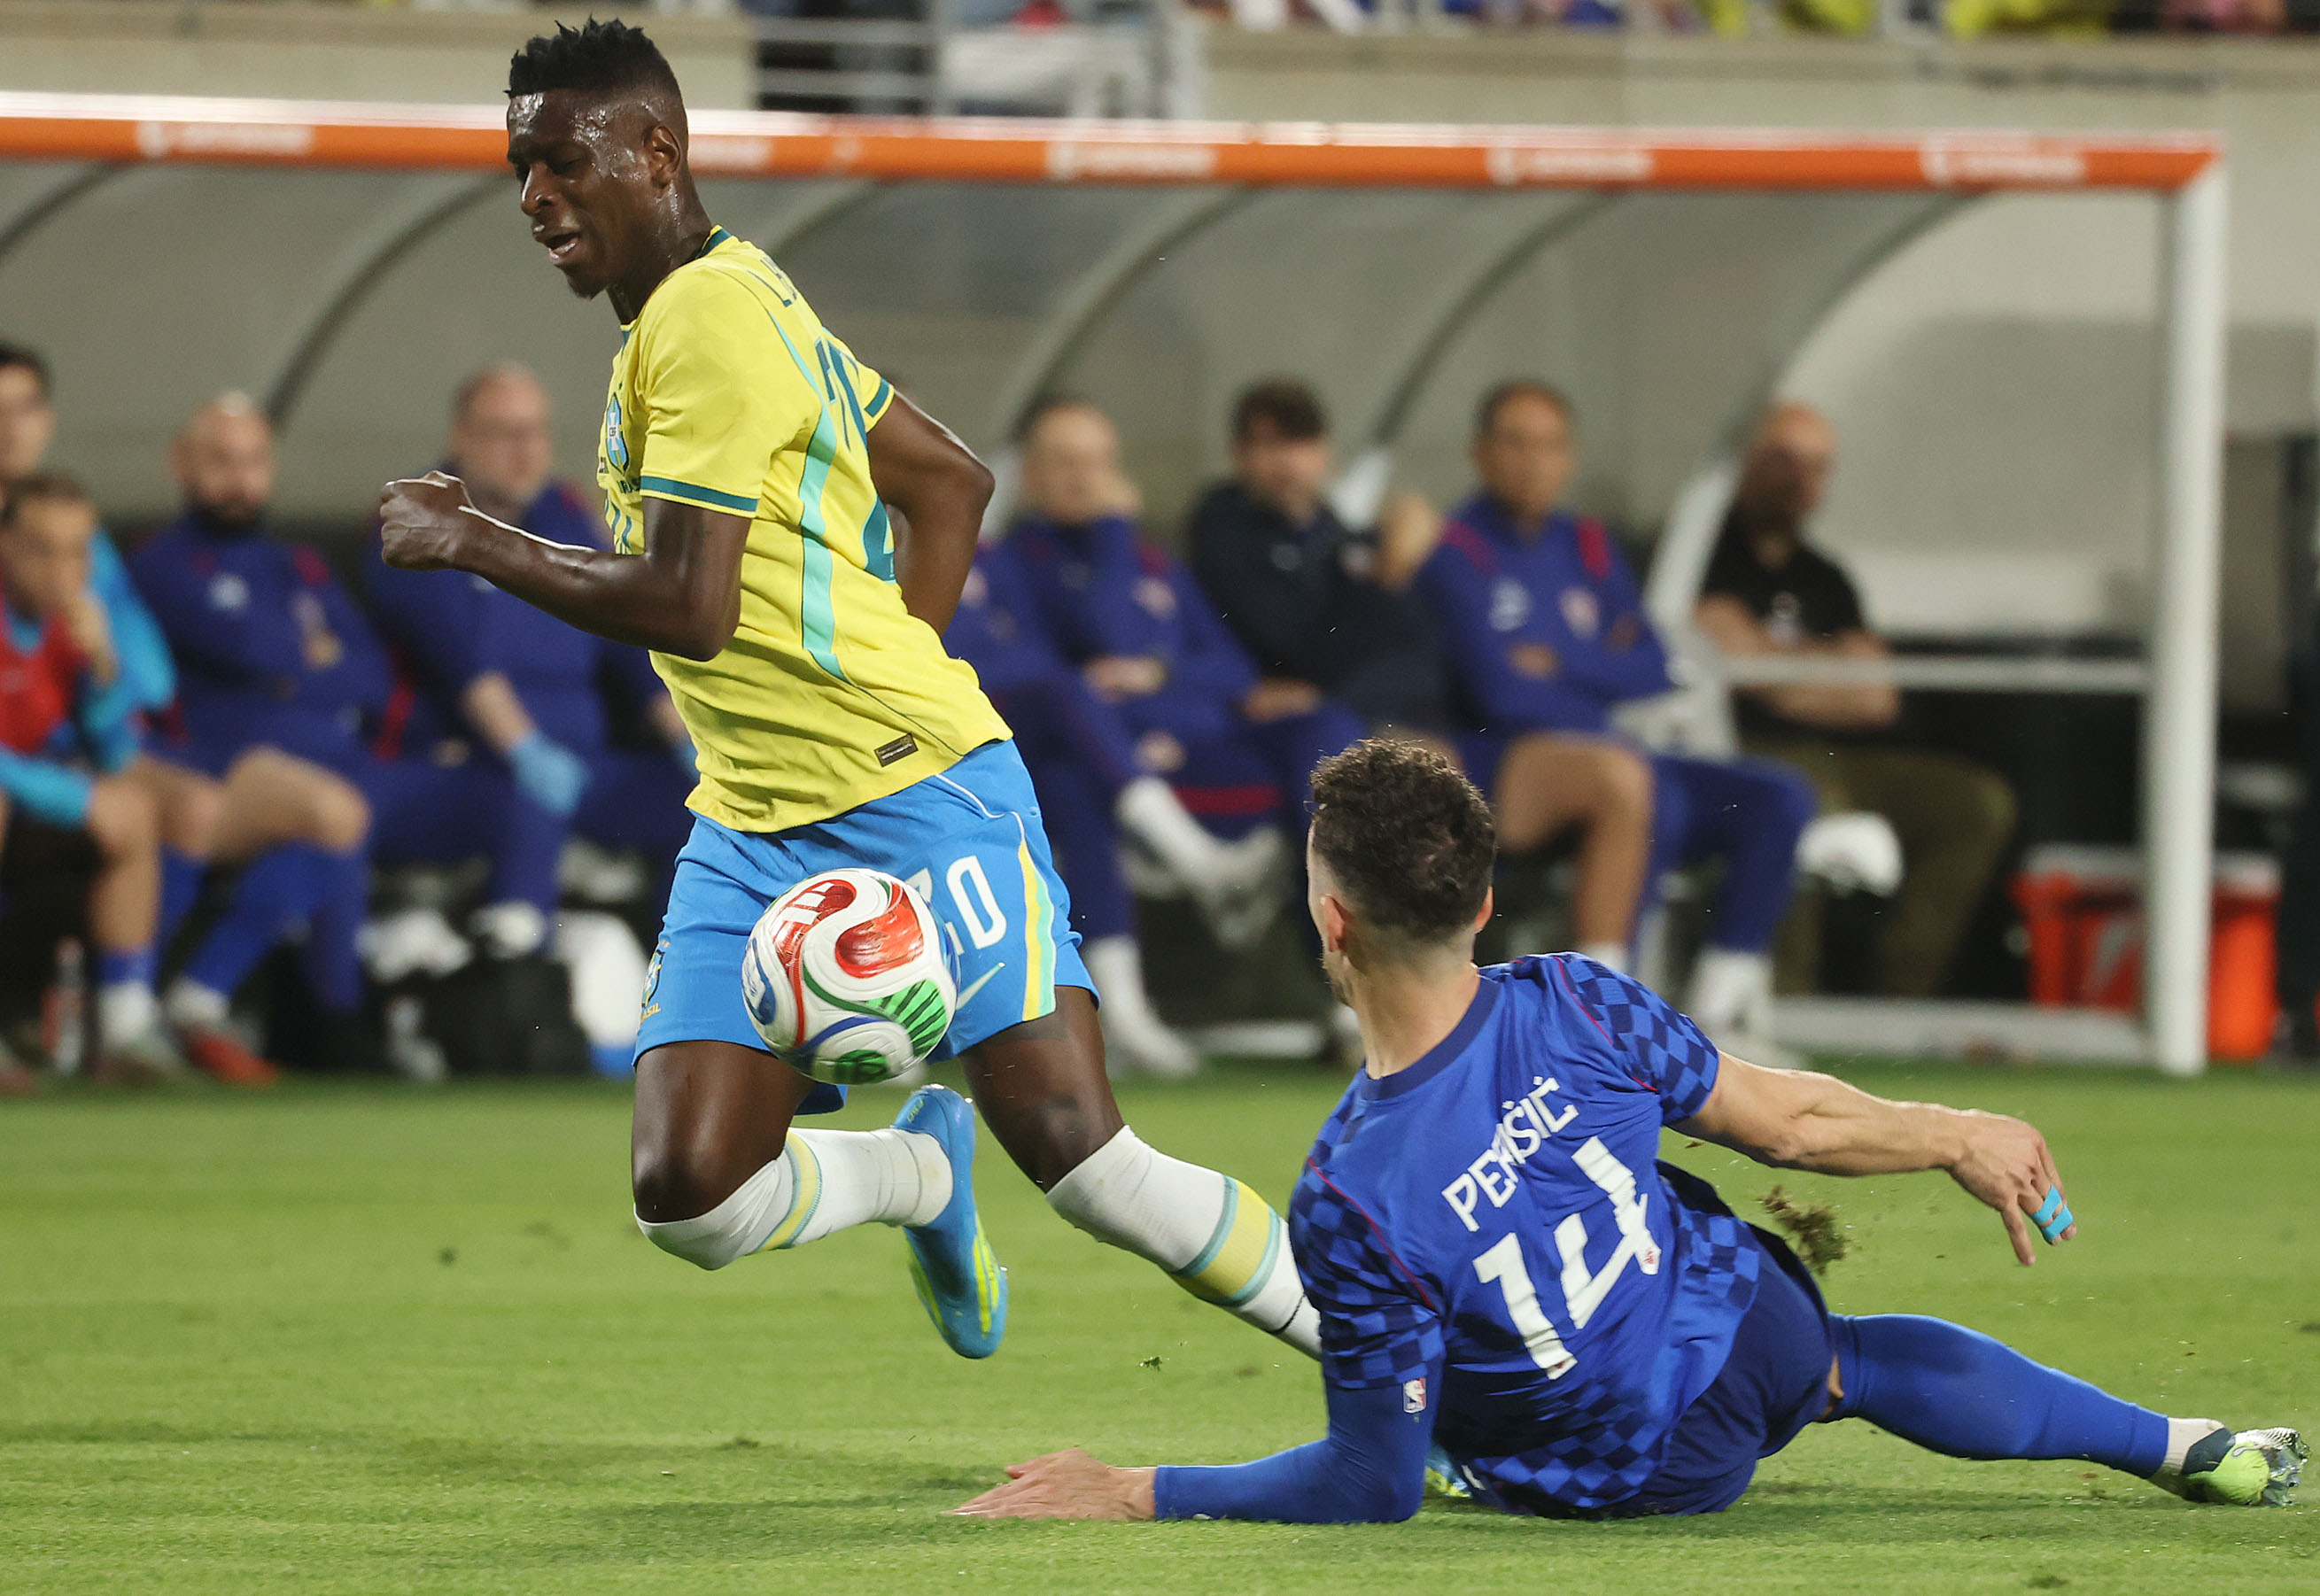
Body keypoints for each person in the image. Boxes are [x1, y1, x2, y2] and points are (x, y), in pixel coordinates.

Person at [376, 19, 1321, 1364]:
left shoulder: (709, 319)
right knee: (687, 1195)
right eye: (518, 167)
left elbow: (689, 603)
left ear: (657, 152)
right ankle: (913, 1177)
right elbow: (947, 478)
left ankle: (1409, 1376)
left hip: (915, 798)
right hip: (753, 824)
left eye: (561, 163)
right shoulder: (731, 299)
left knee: (1082, 1159)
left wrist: (475, 540)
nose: (533, 197)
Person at [952, 740, 2305, 1523]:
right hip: (1755, 1341)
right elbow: (1781, 1122)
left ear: (1330, 921)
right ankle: (2183, 1442)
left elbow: (1369, 1484)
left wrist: (1132, 1486)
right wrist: (1949, 1128)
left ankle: (1489, 1428)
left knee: (1415, 1375)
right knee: (1850, 1359)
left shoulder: (1345, 1190)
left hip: (1628, 1464)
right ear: (1483, 907)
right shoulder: (1578, 999)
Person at [1191, 376, 1657, 973]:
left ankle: (1601, 1001)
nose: (1286, 462)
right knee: (1417, 781)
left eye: (1299, 442)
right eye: (1266, 445)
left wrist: (1566, 664)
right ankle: (1387, 991)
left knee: (1625, 777)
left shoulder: (1338, 535)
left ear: (1324, 452)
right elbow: (1314, 645)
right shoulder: (1227, 531)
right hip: (1337, 735)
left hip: (1433, 725)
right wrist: (1389, 576)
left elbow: (1653, 662)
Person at [135, 396, 535, 1069]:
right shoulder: (161, 563)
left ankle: (502, 988)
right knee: (335, 814)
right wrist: (304, 657)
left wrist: (302, 668)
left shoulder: (301, 564)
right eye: (221, 461)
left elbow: (371, 675)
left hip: (348, 762)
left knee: (501, 793)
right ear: (183, 463)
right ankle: (325, 1017)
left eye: (255, 461)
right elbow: (251, 649)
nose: (241, 480)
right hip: (225, 765)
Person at [1412, 382, 1816, 1049]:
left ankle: (1718, 1010)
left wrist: (1559, 659)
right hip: (1503, 765)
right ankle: (1596, 1018)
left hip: (1608, 750)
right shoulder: (1457, 551)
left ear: (1568, 457)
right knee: (1626, 779)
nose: (1532, 462)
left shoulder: (1588, 545)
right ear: (1479, 454)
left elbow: (1653, 664)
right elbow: (1500, 694)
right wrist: (1593, 669)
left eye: (1548, 446)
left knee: (1779, 797)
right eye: (1515, 443)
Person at [367, 364, 697, 957]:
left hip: (588, 766)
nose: (527, 453)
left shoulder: (562, 515)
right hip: (485, 765)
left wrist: (687, 734)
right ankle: (515, 961)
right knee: (526, 799)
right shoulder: (419, 518)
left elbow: (625, 637)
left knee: (701, 805)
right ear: (461, 438)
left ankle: (688, 967)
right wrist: (524, 749)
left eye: (537, 434)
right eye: (506, 435)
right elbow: (459, 660)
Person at [1695, 401, 2016, 998]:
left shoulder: (1824, 576)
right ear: (1744, 463)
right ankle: (1791, 1000)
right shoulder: (1705, 558)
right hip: (1742, 746)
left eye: (1817, 466)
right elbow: (1723, 658)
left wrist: (1772, 664)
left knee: (1976, 803)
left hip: (1843, 751)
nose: (1799, 480)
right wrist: (1823, 665)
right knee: (1809, 794)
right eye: (1782, 459)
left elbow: (1874, 698)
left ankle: (1898, 999)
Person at [999, 398, 1362, 903]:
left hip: (1205, 737)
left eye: (1100, 462)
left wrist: (1159, 672)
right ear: (1028, 473)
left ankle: (1344, 910)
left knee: (1327, 725)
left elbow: (1233, 670)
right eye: (1067, 462)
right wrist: (1112, 531)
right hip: (1128, 760)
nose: (1087, 479)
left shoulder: (1152, 561)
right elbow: (1111, 641)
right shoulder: (1015, 562)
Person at [944, 544, 1282, 1078]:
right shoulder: (1009, 551)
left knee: (1074, 790)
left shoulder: (1009, 557)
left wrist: (1113, 535)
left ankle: (1121, 1015)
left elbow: (1226, 672)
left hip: (1047, 753)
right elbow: (963, 657)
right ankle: (1197, 863)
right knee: (1062, 692)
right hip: (949, 743)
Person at [0, 476, 190, 1080]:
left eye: (78, 551)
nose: (63, 568)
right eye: (42, 549)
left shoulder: (78, 619)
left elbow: (112, 756)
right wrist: (75, 799)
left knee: (134, 805)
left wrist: (105, 669)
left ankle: (126, 1026)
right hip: (17, 798)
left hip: (31, 802)